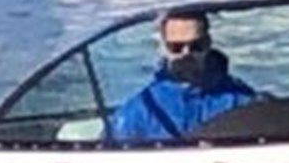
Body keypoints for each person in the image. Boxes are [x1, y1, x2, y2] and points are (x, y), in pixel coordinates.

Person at [109, 11, 256, 142]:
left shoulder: (242, 101)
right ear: (163, 48)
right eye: (176, 47)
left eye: (196, 46)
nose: (187, 54)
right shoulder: (138, 112)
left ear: (208, 43)